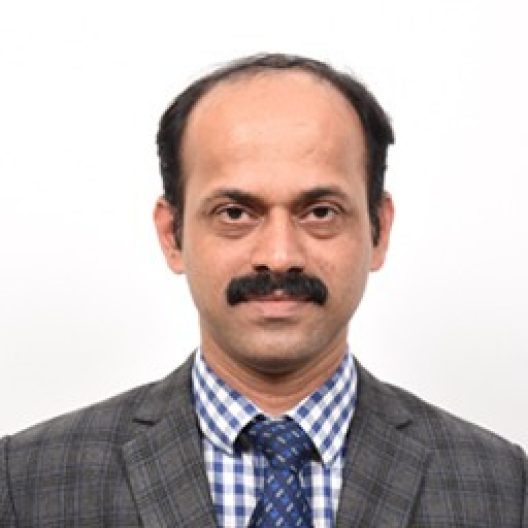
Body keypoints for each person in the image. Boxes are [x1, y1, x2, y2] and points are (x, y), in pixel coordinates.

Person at [1, 53, 526, 527]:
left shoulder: (504, 488)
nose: (278, 255)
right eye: (234, 213)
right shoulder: (27, 484)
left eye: (320, 212)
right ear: (172, 235)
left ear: (378, 230)